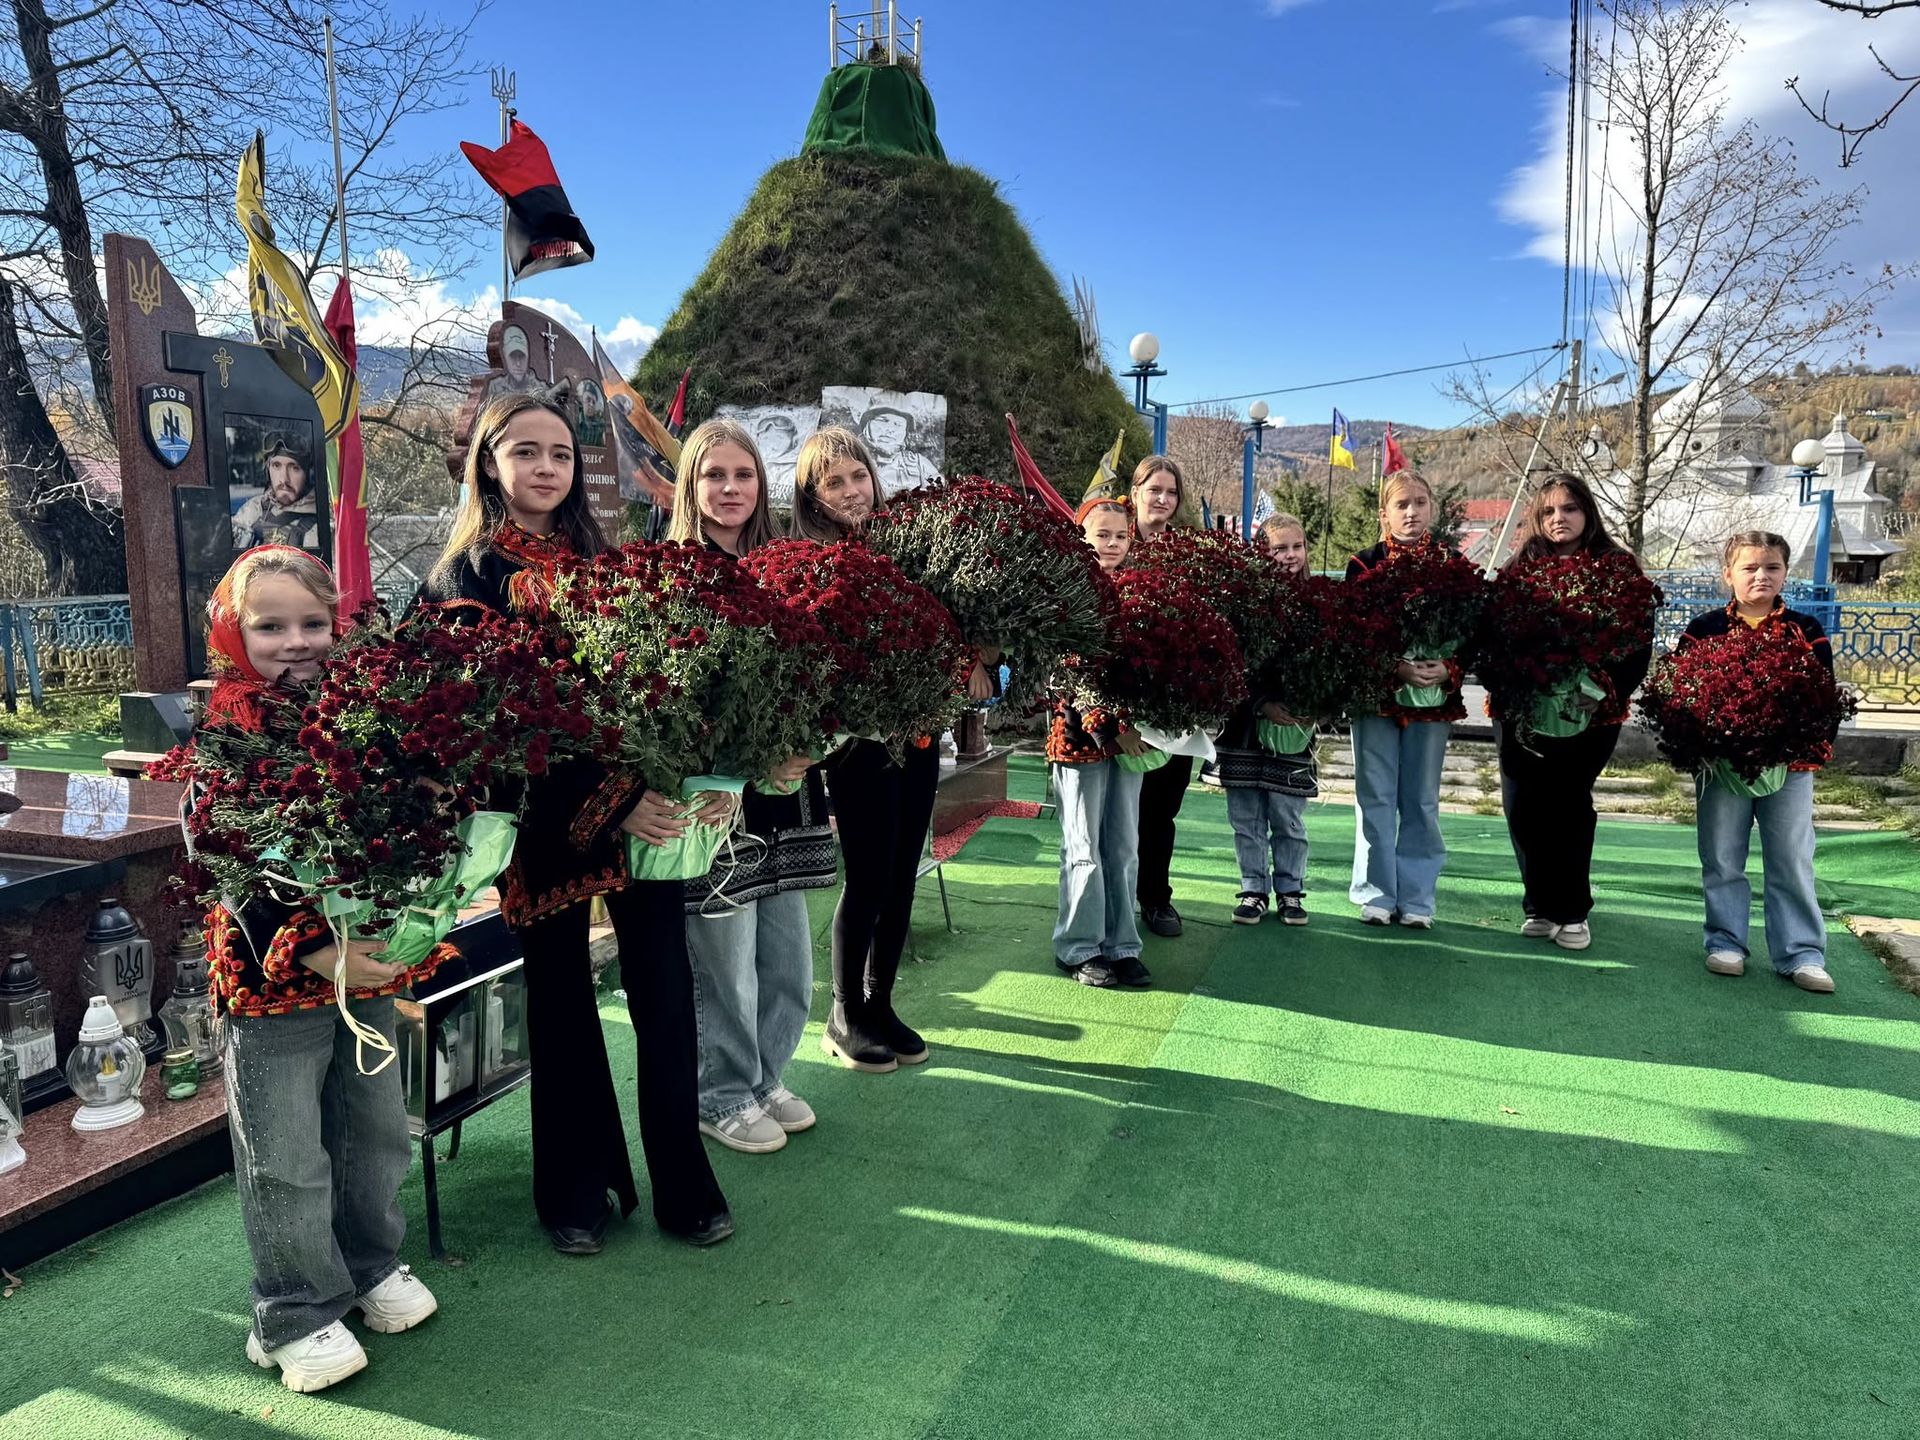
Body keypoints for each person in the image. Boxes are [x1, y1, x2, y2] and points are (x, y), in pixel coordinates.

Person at [419, 393, 731, 1255]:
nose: (547, 467)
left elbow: (664, 684)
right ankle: (575, 1190)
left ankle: (685, 1185)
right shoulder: (461, 581)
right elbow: (483, 724)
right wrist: (612, 796)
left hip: (646, 817)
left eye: (560, 453)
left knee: (665, 993)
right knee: (559, 1001)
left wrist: (699, 774)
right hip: (543, 827)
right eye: (526, 451)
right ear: (489, 463)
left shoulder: (609, 561)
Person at [190, 545, 440, 1393]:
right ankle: (294, 1308)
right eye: (270, 627)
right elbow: (226, 862)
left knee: (374, 1130)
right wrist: (314, 948)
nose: (295, 642)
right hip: (271, 981)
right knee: (286, 1151)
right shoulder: (221, 732)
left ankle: (371, 1266)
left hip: (363, 967)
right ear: (232, 632)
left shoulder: (359, 716)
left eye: (313, 623)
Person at [666, 419, 839, 1153]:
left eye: (744, 475)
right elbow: (671, 694)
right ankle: (723, 1092)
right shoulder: (673, 573)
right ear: (690, 485)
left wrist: (809, 747)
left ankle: (767, 1077)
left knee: (788, 958)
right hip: (716, 799)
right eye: (715, 475)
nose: (730, 488)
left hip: (787, 795)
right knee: (726, 964)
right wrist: (741, 765)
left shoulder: (785, 567)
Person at [792, 425, 943, 1072]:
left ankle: (880, 1003)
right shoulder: (808, 560)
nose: (852, 490)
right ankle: (844, 1011)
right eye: (835, 482)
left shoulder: (906, 545)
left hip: (918, 732)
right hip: (858, 746)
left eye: (859, 476)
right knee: (870, 876)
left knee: (904, 870)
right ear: (812, 496)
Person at [1494, 474, 1654, 952]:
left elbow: (1636, 642)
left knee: (1569, 805)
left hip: (1590, 713)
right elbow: (1494, 638)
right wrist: (1517, 685)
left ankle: (1572, 911)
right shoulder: (1518, 569)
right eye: (1548, 511)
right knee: (1522, 806)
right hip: (1522, 711)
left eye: (1569, 509)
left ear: (1588, 513)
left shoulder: (1618, 569)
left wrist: (1600, 688)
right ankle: (1539, 905)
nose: (1558, 518)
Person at [1682, 531, 1837, 994]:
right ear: (1728, 574)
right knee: (1721, 854)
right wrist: (1701, 743)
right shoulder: (1705, 629)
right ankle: (1725, 941)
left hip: (1790, 766)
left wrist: (1800, 745)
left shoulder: (1805, 630)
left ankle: (1801, 952)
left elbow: (1825, 698)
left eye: (1771, 567)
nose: (1760, 576)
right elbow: (1680, 694)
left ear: (1785, 573)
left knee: (1791, 856)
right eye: (1749, 568)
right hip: (1721, 767)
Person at [1344, 471, 1457, 929]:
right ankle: (1376, 893)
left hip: (1432, 699)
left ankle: (1417, 898)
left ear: (1432, 508)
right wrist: (1395, 667)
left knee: (1422, 798)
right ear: (1384, 514)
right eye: (1401, 504)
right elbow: (1351, 633)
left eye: (1420, 502)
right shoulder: (1363, 564)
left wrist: (1448, 667)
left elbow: (1474, 633)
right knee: (1374, 794)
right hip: (1376, 698)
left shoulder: (1452, 564)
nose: (1411, 512)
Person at [1051, 494, 1152, 988]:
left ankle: (1122, 945)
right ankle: (1079, 947)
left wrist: (1146, 723)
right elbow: (1065, 675)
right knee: (1084, 848)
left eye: (1120, 535)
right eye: (1102, 535)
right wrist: (1110, 728)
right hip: (1078, 743)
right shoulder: (1064, 595)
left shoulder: (1141, 593)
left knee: (1124, 845)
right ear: (1081, 538)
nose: (1112, 544)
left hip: (1129, 745)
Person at [1217, 514, 1316, 928]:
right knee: (1246, 817)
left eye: (1296, 546)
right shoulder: (1243, 603)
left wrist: (1315, 701)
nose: (1289, 555)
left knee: (1287, 817)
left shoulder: (1317, 604)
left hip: (1292, 729)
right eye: (1279, 548)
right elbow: (1230, 665)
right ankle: (1253, 890)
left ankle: (1290, 890)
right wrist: (1261, 704)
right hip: (1243, 729)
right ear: (1262, 553)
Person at [1128, 455, 1192, 939]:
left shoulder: (1187, 553)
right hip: (1123, 702)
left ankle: (1155, 897)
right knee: (1120, 812)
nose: (1163, 499)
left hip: (1175, 702)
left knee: (1162, 807)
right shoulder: (1113, 541)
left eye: (1171, 492)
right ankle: (1112, 900)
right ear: (1135, 492)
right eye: (1155, 490)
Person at [231, 436, 321, 551]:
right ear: (267, 470)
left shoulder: (321, 525)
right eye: (276, 466)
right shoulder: (255, 508)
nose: (284, 479)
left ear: (309, 474)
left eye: (294, 468)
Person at [860, 404, 942, 491]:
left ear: (905, 434)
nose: (890, 429)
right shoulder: (856, 460)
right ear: (866, 428)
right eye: (883, 421)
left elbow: (939, 489)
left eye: (898, 424)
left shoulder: (918, 463)